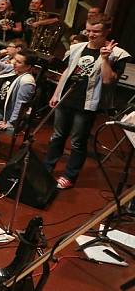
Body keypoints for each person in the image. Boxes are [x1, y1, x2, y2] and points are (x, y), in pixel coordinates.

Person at [44, 15, 130, 189]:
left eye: (96, 31)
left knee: (77, 141)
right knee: (57, 136)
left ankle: (69, 175)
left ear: (107, 31)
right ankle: (47, 168)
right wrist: (56, 93)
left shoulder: (118, 54)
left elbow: (108, 80)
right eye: (88, 30)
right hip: (67, 98)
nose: (91, 35)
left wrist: (105, 58)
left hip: (87, 103)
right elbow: (68, 71)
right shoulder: (77, 47)